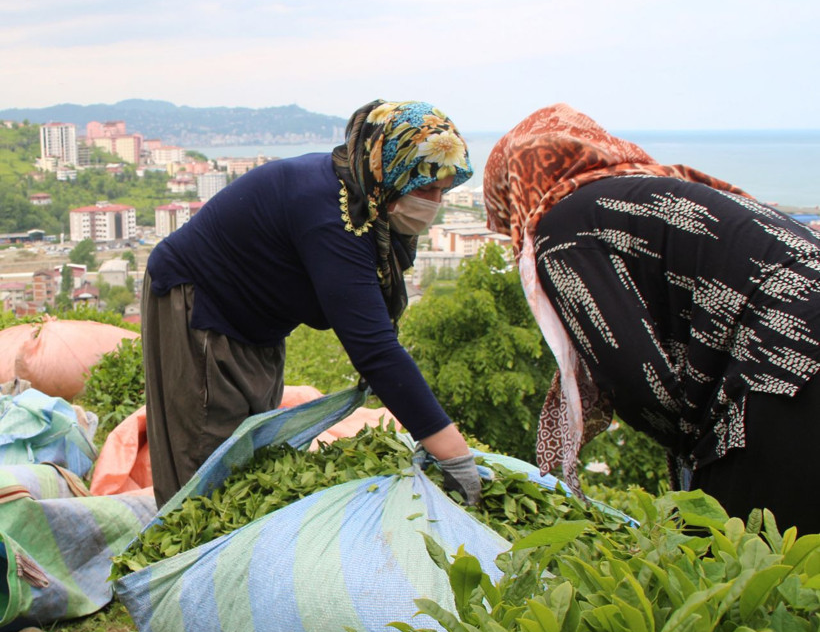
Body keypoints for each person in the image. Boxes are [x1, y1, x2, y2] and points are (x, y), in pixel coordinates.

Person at [484, 103, 820, 535]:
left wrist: (698, 457)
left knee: (740, 562)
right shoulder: (647, 189)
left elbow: (633, 376)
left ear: (512, 193)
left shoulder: (564, 230)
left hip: (784, 361)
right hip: (797, 343)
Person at [142, 99, 481, 508]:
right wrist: (455, 457)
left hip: (260, 324)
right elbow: (374, 349)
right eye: (424, 188)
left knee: (250, 457)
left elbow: (367, 315)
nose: (434, 203)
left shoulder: (364, 197)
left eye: (442, 190)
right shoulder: (329, 213)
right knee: (207, 468)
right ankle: (187, 566)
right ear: (389, 167)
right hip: (201, 309)